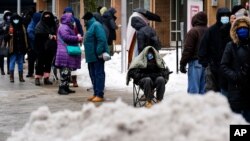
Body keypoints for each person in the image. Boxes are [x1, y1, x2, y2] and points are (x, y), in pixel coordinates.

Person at [220, 17, 250, 122]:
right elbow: (223, 66)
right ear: (235, 30)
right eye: (240, 28)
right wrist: (235, 76)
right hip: (235, 90)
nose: (243, 30)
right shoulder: (231, 46)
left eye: (245, 28)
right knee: (236, 122)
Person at [198, 7, 231, 96]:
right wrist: (206, 63)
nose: (225, 18)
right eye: (222, 16)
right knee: (212, 92)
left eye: (226, 16)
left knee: (226, 93)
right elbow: (203, 47)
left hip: (228, 68)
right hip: (213, 67)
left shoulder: (232, 30)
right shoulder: (211, 31)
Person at [82, 12, 109, 102]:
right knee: (93, 75)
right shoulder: (90, 27)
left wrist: (99, 51)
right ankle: (95, 93)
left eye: (84, 20)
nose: (83, 22)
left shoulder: (96, 25)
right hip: (91, 57)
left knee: (99, 75)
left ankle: (100, 94)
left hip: (97, 56)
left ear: (87, 19)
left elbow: (101, 39)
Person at [180, 12, 208, 94]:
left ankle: (194, 106)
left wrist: (182, 63)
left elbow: (188, 49)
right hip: (206, 64)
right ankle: (202, 106)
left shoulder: (193, 31)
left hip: (195, 62)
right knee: (203, 90)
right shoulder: (209, 31)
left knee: (194, 90)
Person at [55, 13, 82, 95]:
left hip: (66, 51)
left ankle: (66, 87)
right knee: (65, 71)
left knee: (67, 71)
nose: (72, 21)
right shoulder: (64, 27)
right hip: (64, 52)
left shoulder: (67, 27)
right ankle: (62, 88)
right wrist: (77, 38)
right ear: (67, 20)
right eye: (71, 19)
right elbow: (66, 37)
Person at [34, 11, 57, 86]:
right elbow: (38, 36)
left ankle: (46, 78)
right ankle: (37, 78)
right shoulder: (39, 25)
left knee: (48, 63)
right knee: (39, 63)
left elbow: (56, 33)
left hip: (50, 47)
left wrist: (53, 36)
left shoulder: (53, 24)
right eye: (46, 16)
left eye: (49, 16)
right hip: (41, 47)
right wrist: (48, 35)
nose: (47, 18)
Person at [63, 7, 84, 87]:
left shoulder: (63, 21)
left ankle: (69, 80)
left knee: (67, 63)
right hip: (74, 44)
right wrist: (79, 37)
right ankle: (74, 80)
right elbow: (81, 32)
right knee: (73, 63)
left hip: (66, 45)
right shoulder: (76, 20)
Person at [8, 13, 28, 82]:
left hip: (21, 48)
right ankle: (11, 77)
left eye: (17, 19)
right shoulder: (10, 27)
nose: (15, 20)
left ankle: (21, 77)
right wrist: (8, 35)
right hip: (13, 48)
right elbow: (6, 37)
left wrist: (26, 47)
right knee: (12, 62)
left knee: (20, 62)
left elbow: (25, 37)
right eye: (14, 19)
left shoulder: (22, 27)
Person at [26, 12, 42, 77]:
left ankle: (36, 72)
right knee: (32, 60)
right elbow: (30, 34)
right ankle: (30, 72)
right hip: (32, 46)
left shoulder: (38, 24)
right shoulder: (31, 25)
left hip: (38, 46)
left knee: (37, 60)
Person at [0, 10, 12, 75]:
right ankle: (2, 70)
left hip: (10, 42)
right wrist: (3, 29)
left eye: (9, 15)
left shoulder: (12, 24)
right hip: (3, 42)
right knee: (1, 56)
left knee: (9, 56)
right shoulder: (2, 24)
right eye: (7, 15)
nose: (8, 17)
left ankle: (9, 70)